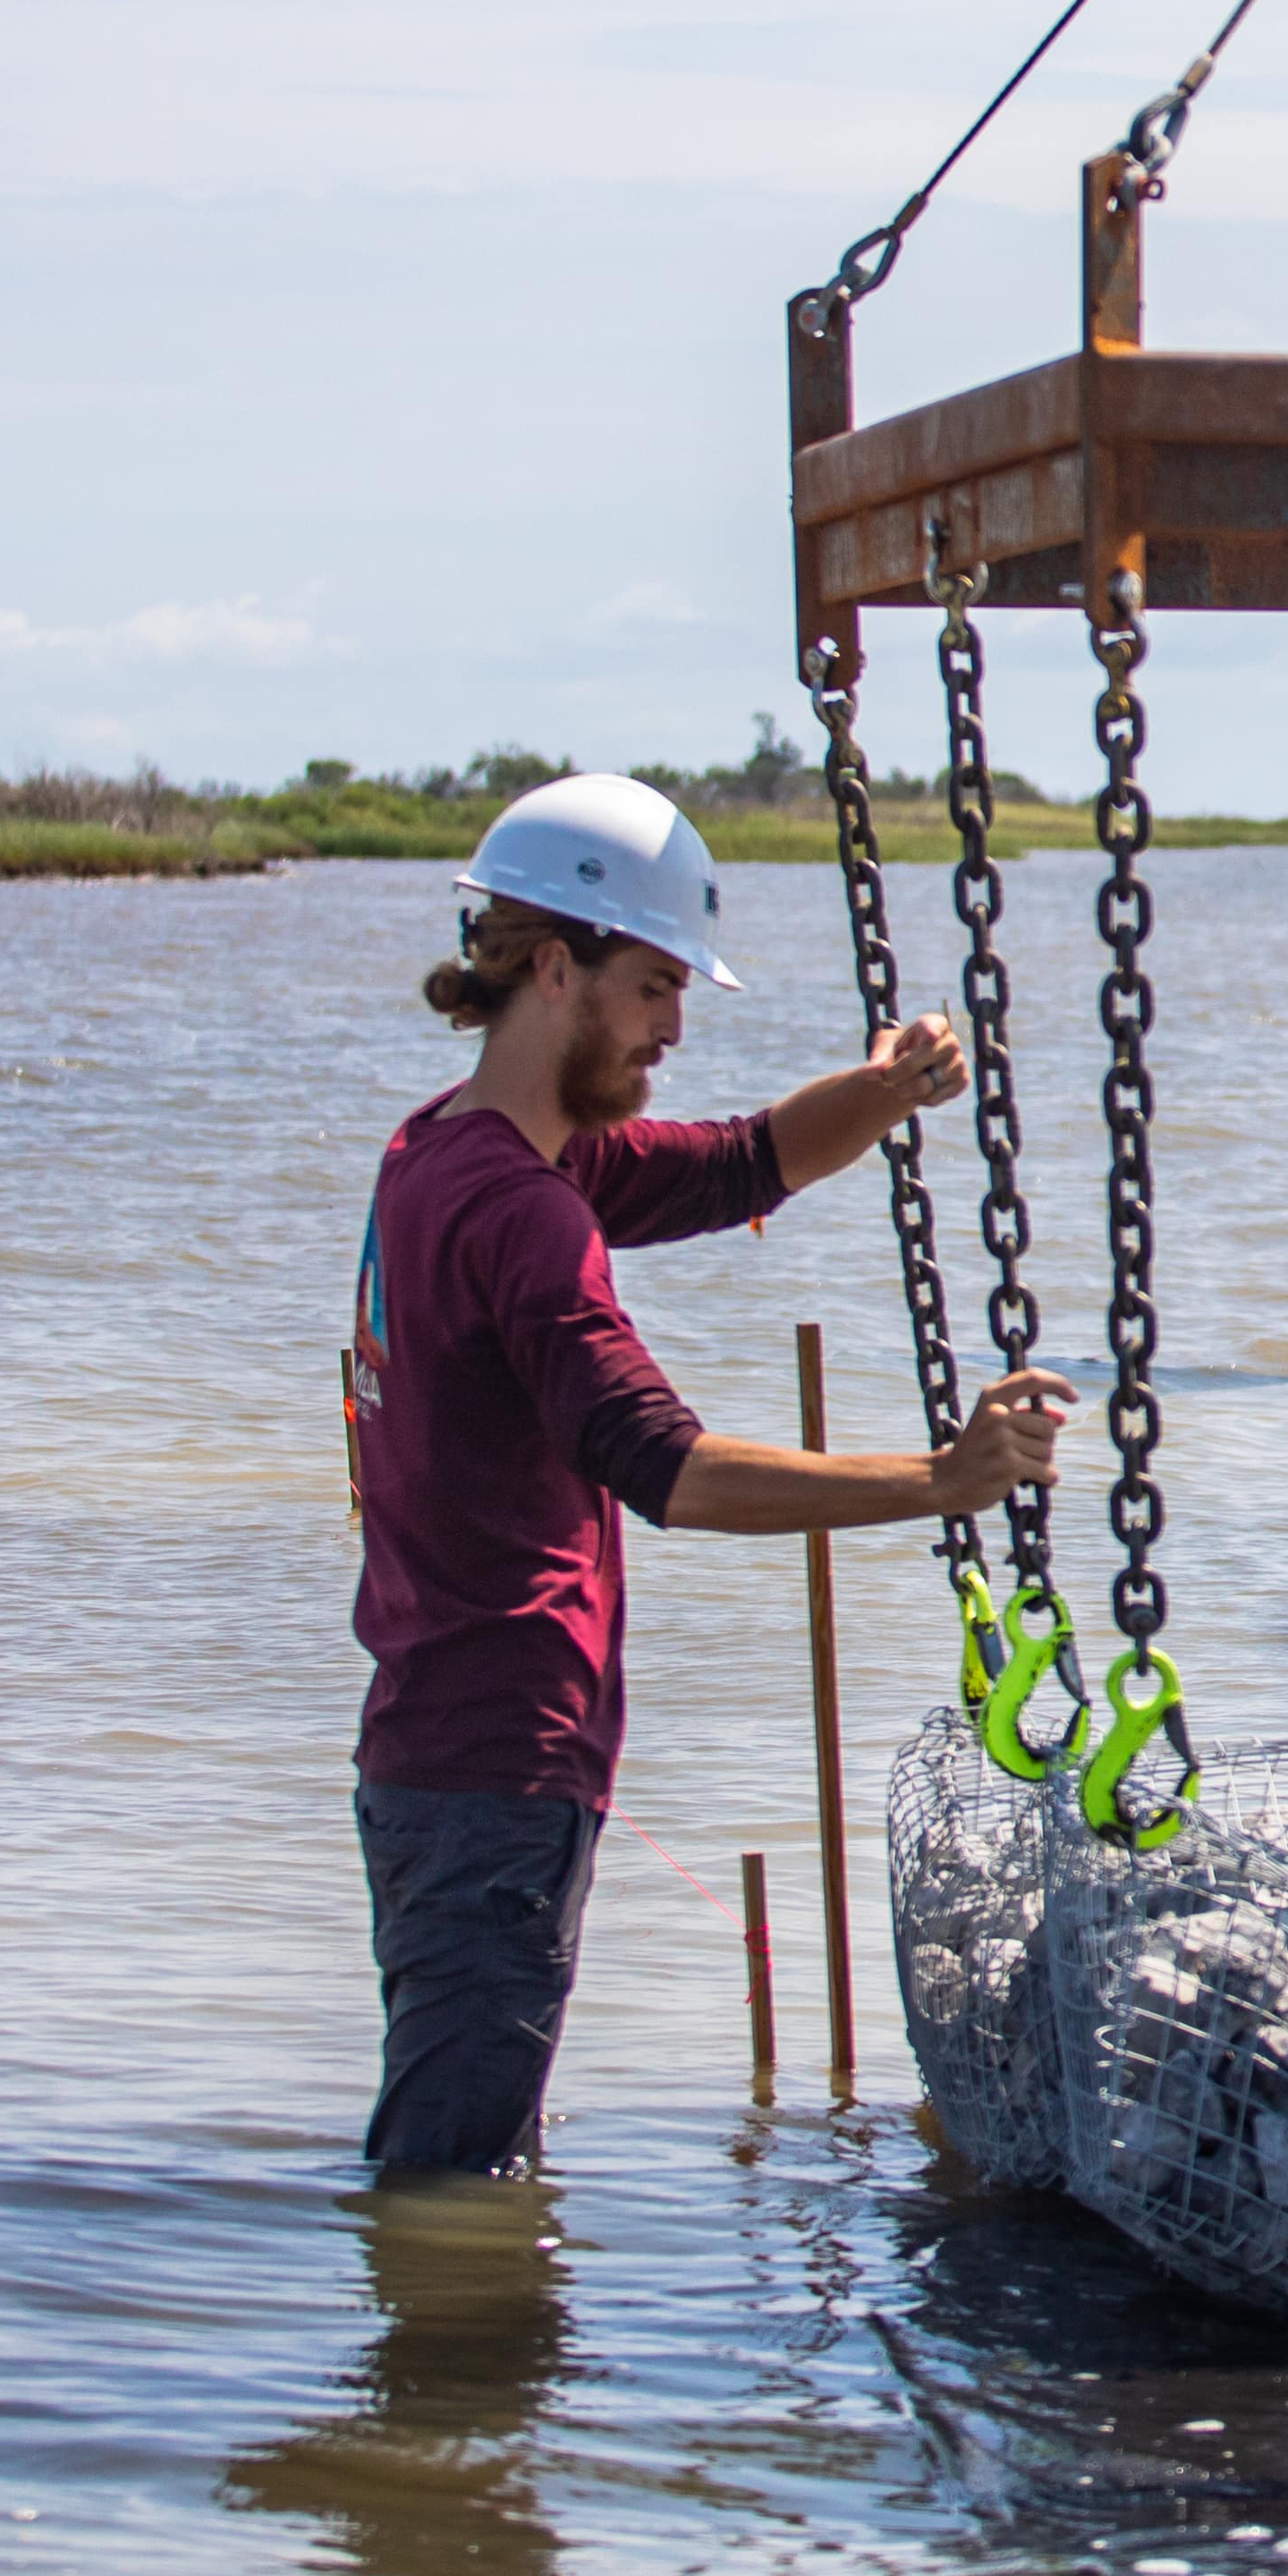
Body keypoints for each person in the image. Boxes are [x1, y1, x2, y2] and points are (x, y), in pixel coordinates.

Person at [344, 771, 1069, 2179]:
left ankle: (468, 2390)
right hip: (494, 1764)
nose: (678, 1025)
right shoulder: (524, 1214)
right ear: (557, 967)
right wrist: (941, 1480)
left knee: (473, 2158)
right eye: (656, 986)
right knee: (451, 2180)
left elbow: (740, 1162)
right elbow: (666, 1472)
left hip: (442, 1749)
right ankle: (438, 2386)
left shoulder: (448, 1153)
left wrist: (885, 1087)